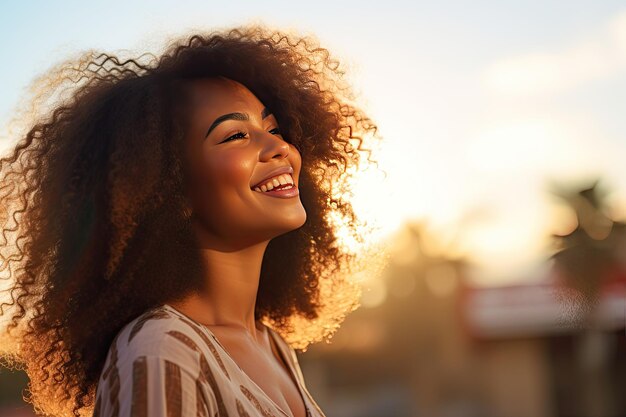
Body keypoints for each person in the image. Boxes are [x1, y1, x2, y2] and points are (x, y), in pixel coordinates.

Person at [0, 24, 380, 417]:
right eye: (235, 136)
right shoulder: (162, 350)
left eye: (273, 128)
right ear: (171, 191)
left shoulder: (272, 346)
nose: (278, 147)